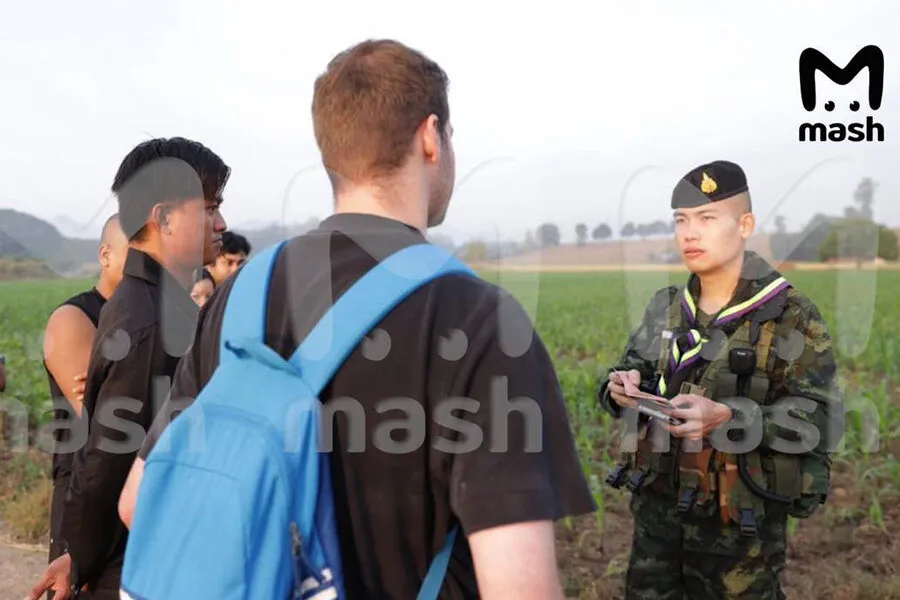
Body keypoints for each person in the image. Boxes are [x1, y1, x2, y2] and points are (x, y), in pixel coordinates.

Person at [119, 39, 596, 600]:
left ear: (334, 155)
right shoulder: (481, 320)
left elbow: (137, 500)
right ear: (429, 137)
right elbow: (520, 588)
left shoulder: (242, 291)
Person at [598, 160, 843, 600]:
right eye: (681, 221)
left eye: (707, 218)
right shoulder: (667, 306)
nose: (689, 233)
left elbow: (821, 419)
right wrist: (619, 386)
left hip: (738, 541)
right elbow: (628, 368)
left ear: (745, 224)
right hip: (656, 526)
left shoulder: (790, 316)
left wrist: (731, 416)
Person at [31, 137, 230, 600]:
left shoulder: (160, 306)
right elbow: (107, 455)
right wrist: (78, 556)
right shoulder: (150, 322)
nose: (221, 223)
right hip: (132, 565)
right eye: (210, 208)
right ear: (162, 217)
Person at [30, 213, 128, 600]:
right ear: (106, 255)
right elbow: (113, 414)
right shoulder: (74, 318)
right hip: (85, 500)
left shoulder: (162, 318)